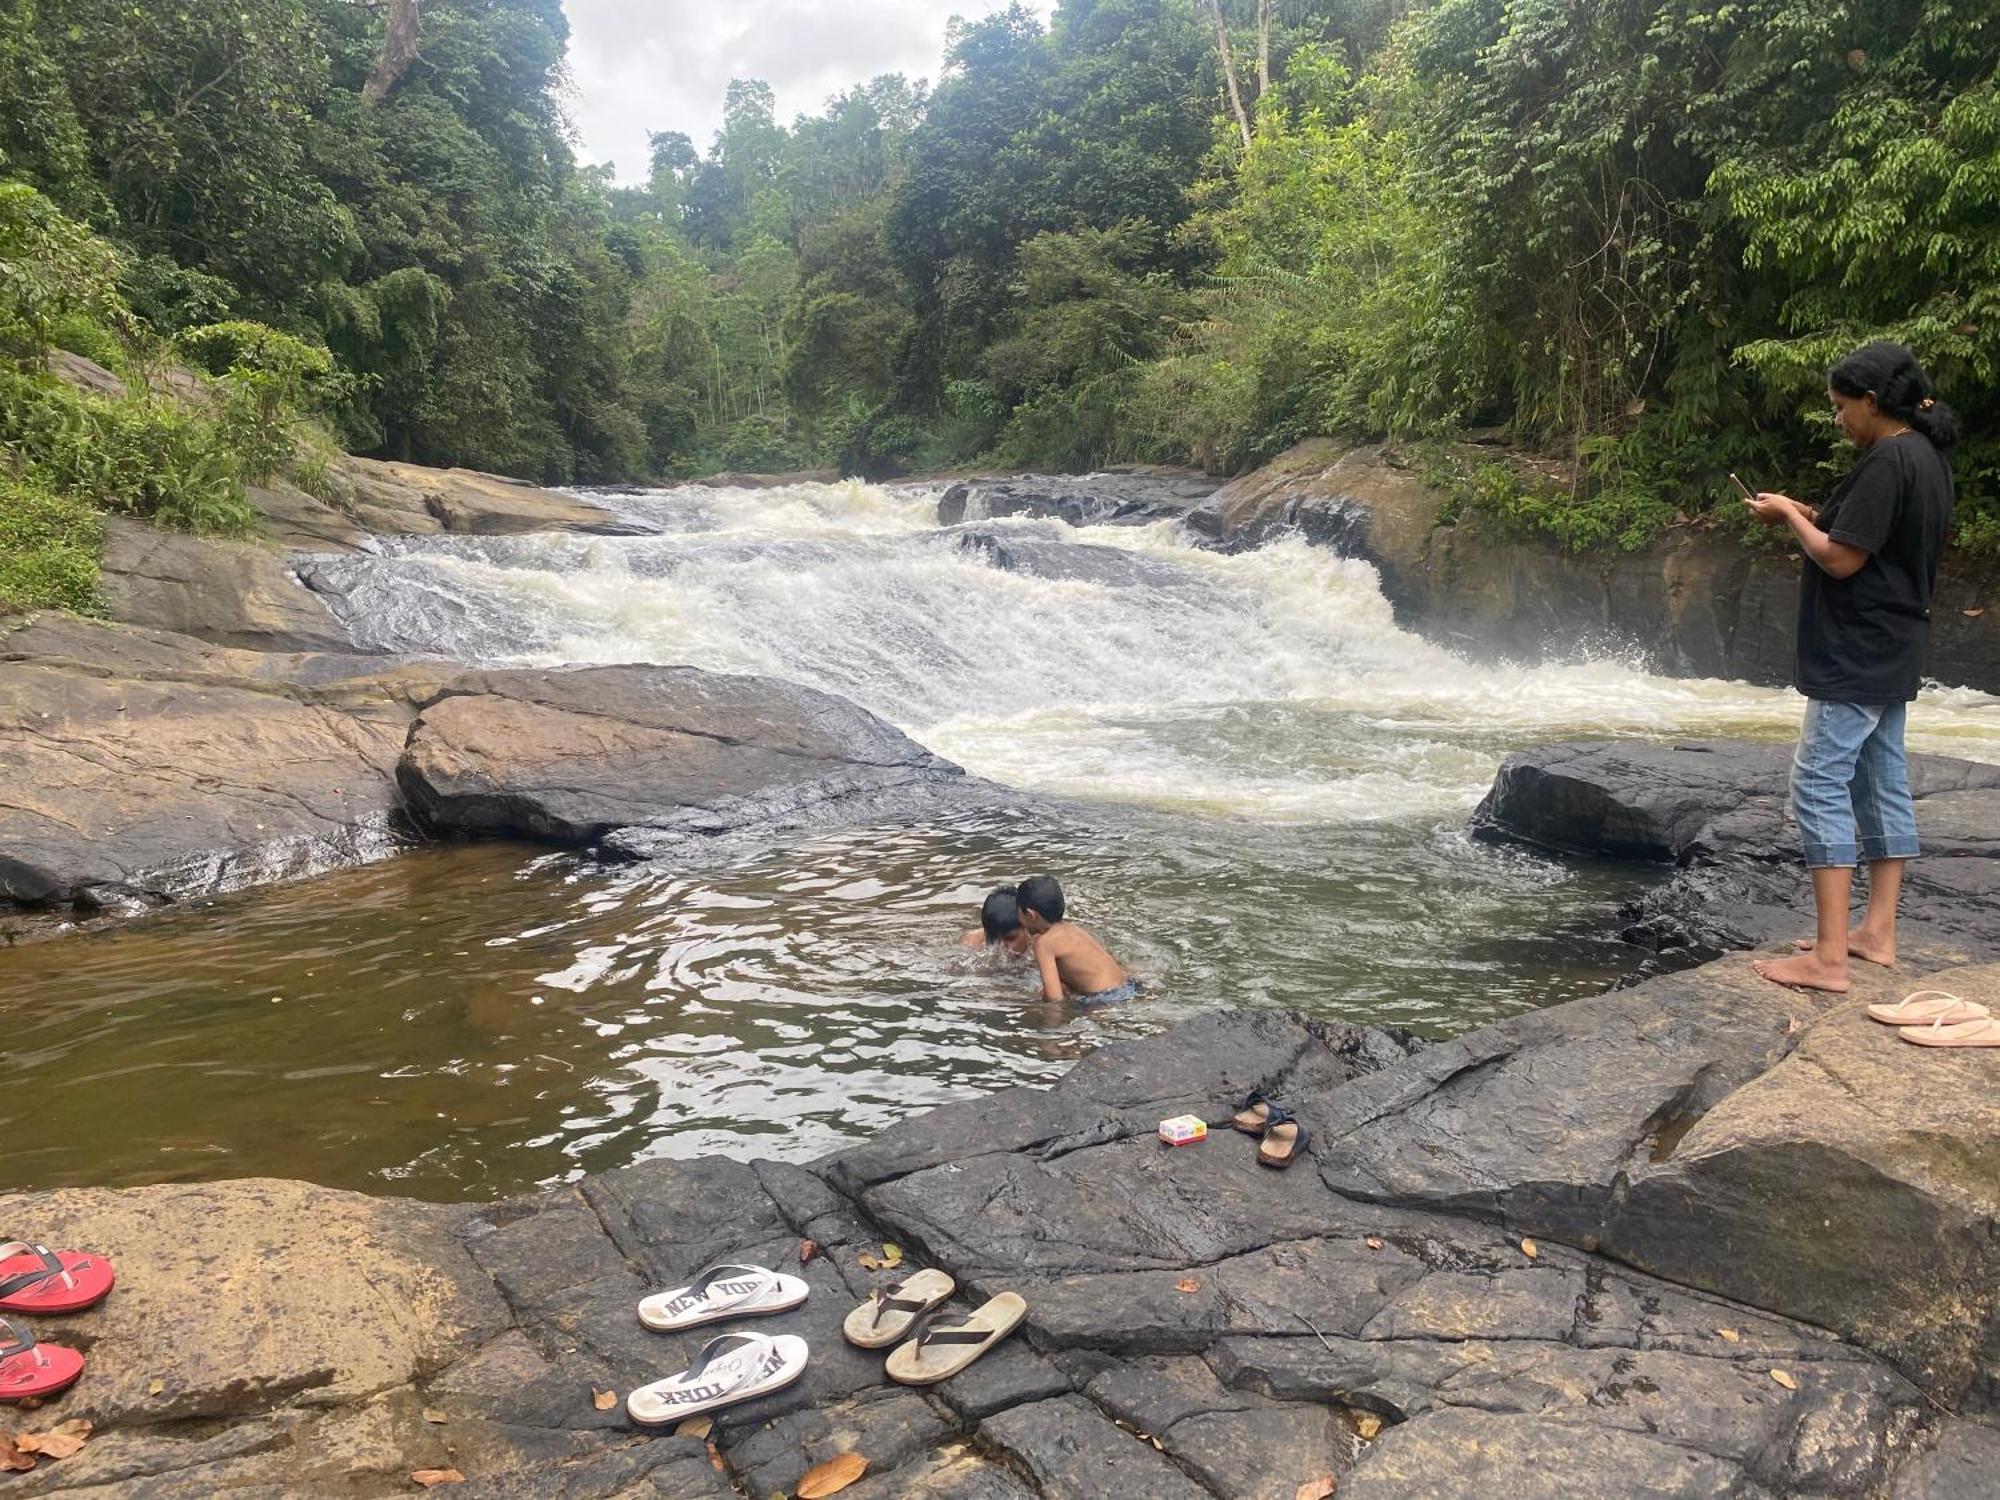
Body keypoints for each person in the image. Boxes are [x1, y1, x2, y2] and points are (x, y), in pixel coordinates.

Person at [1742, 341, 1958, 993]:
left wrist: (1786, 517)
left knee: (1817, 785)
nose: (1837, 420)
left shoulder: (1888, 459)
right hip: (1894, 645)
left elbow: (1842, 560)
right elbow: (1867, 539)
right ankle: (1878, 933)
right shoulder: (1925, 456)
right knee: (1880, 780)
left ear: (1870, 402)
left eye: (1841, 408)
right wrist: (1812, 516)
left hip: (1857, 652)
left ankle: (1830, 958)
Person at [1013, 875, 1135, 1003]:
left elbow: (1055, 998)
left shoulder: (1044, 944)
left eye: (1018, 913)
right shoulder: (1072, 929)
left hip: (1105, 999)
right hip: (1128, 985)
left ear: (1030, 915)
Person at [961, 888, 1030, 956]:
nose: (1001, 950)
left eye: (1010, 938)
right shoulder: (972, 943)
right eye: (992, 939)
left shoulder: (1037, 946)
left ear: (1028, 928)